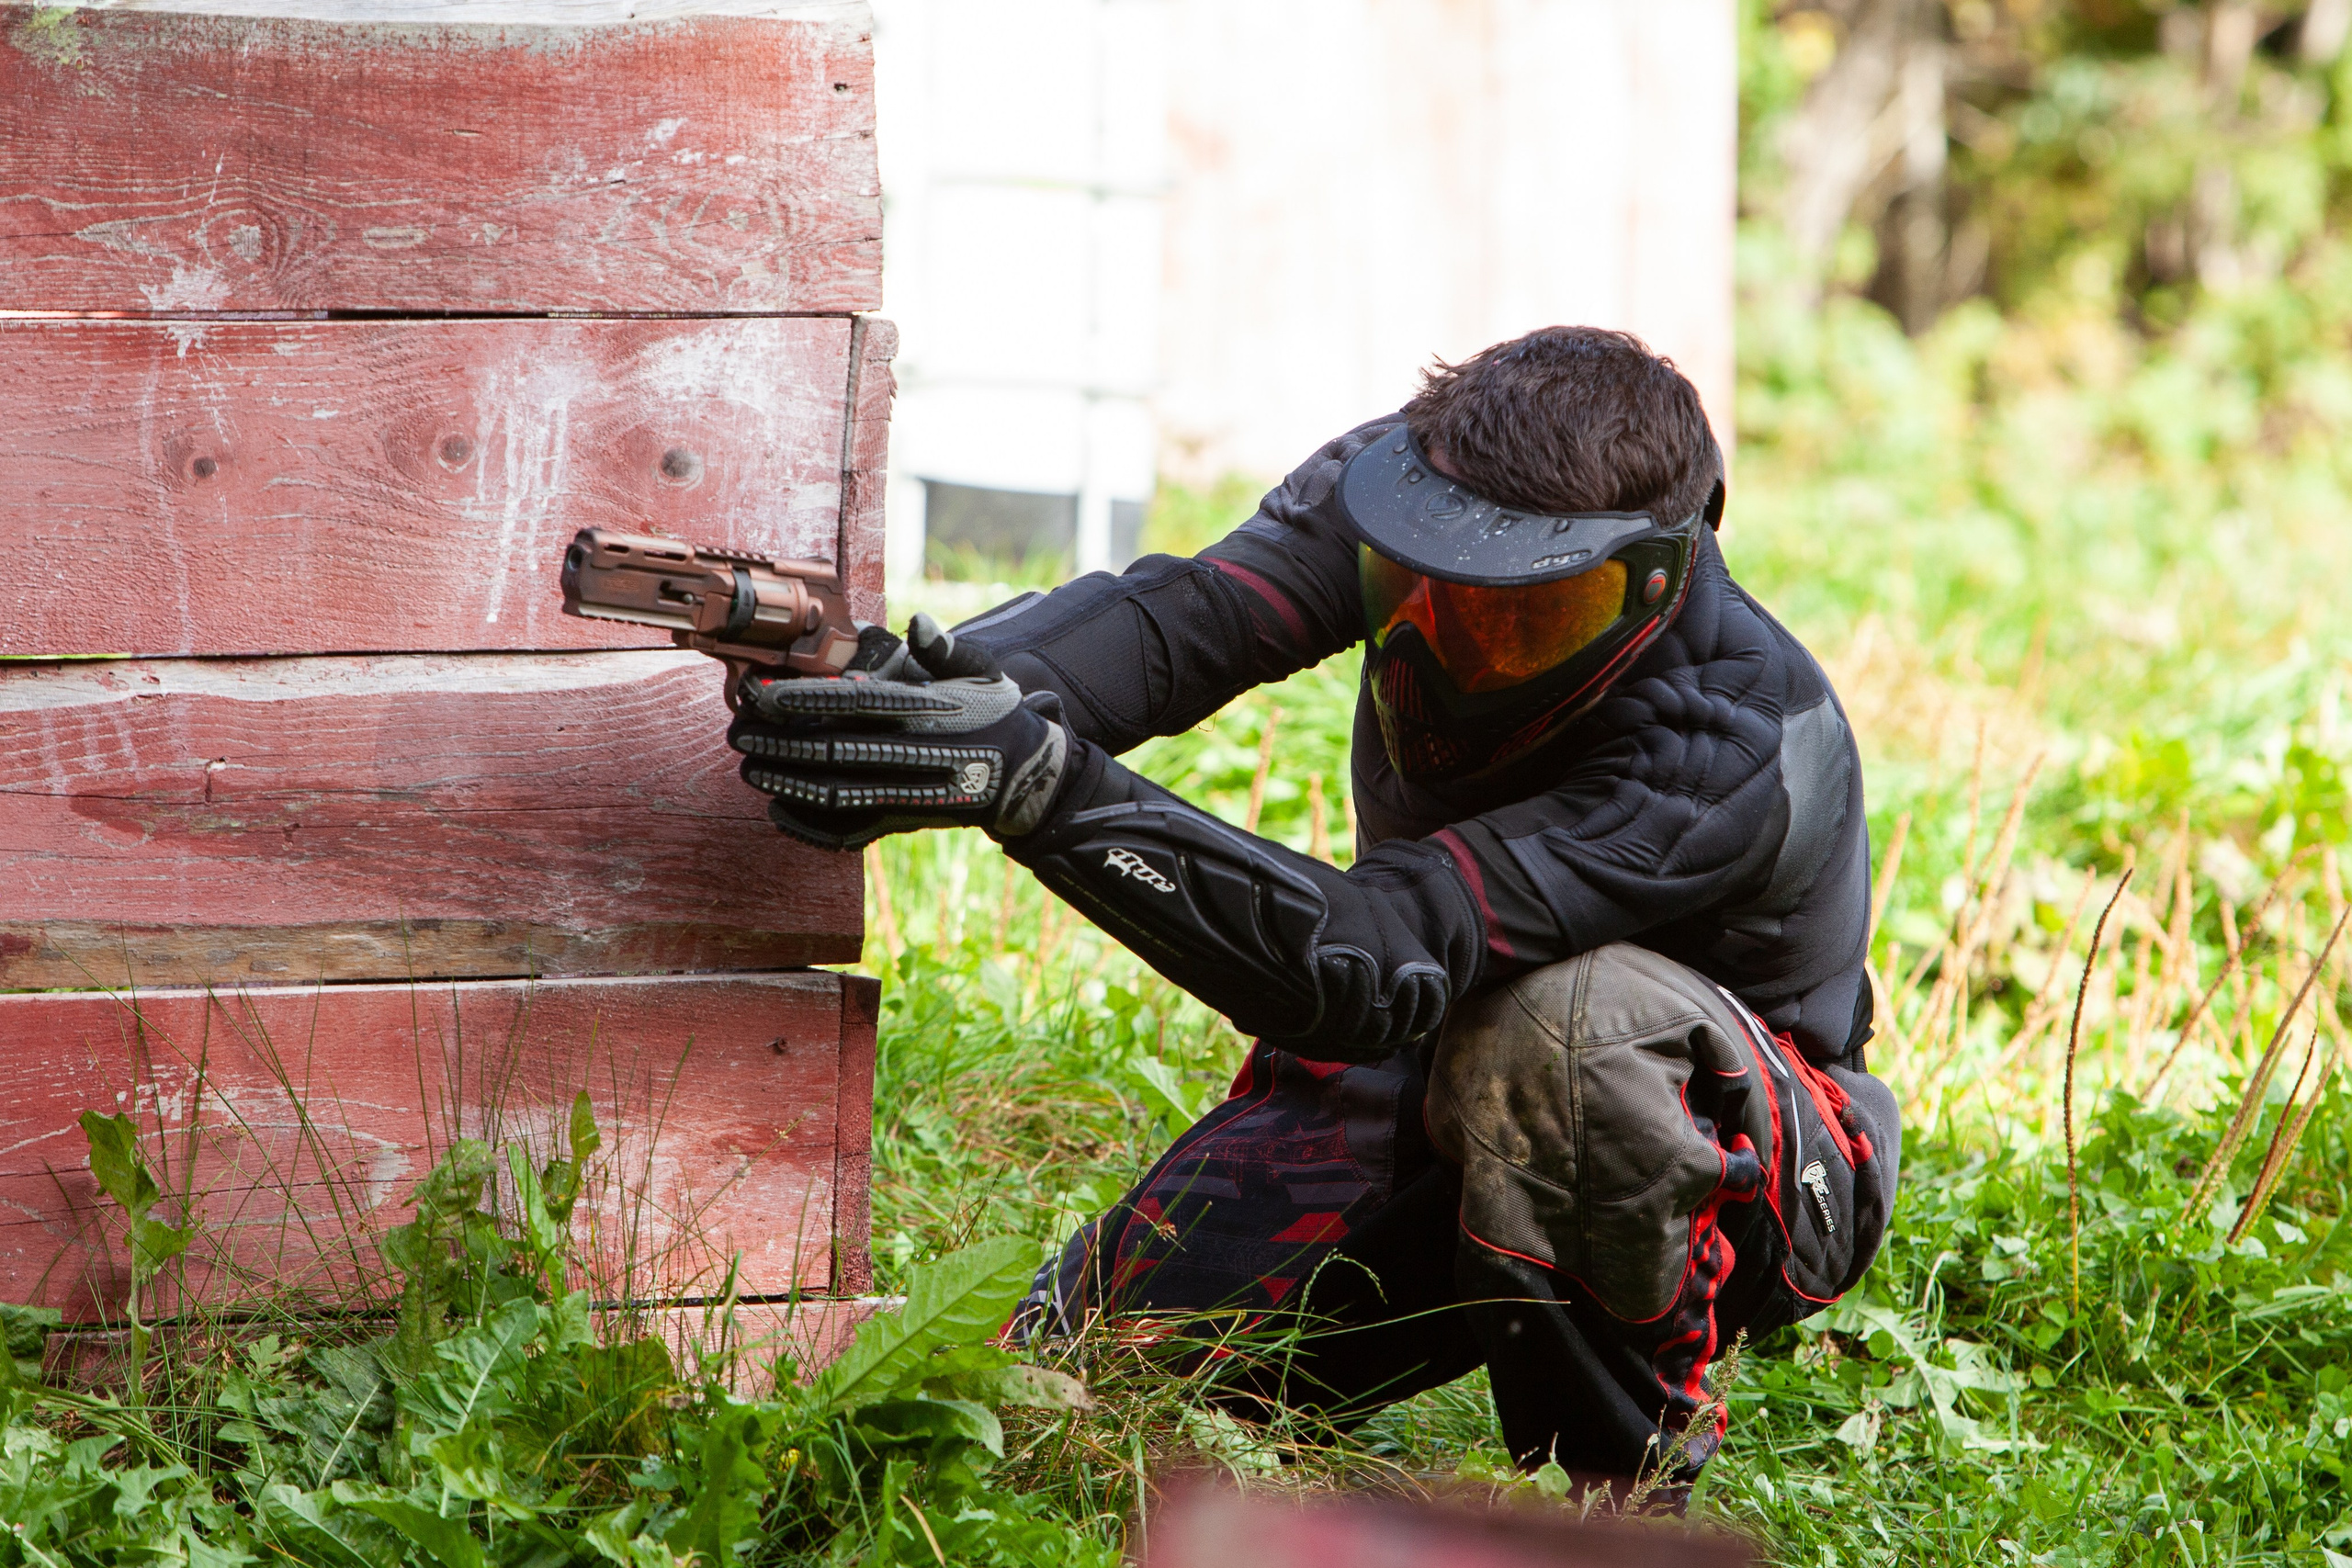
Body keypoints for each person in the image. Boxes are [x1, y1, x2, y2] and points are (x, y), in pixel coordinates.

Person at [725, 326, 1899, 1489]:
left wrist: (1036, 785)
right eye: (1424, 594)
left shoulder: (1728, 744)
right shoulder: (1405, 488)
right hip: (1439, 1053)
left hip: (1742, 1153)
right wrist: (917, 704)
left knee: (1565, 1027)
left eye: (1522, 618)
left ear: (1660, 576)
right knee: (1074, 1381)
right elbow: (1185, 621)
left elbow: (1372, 964)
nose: (1454, 651)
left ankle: (1627, 1485)